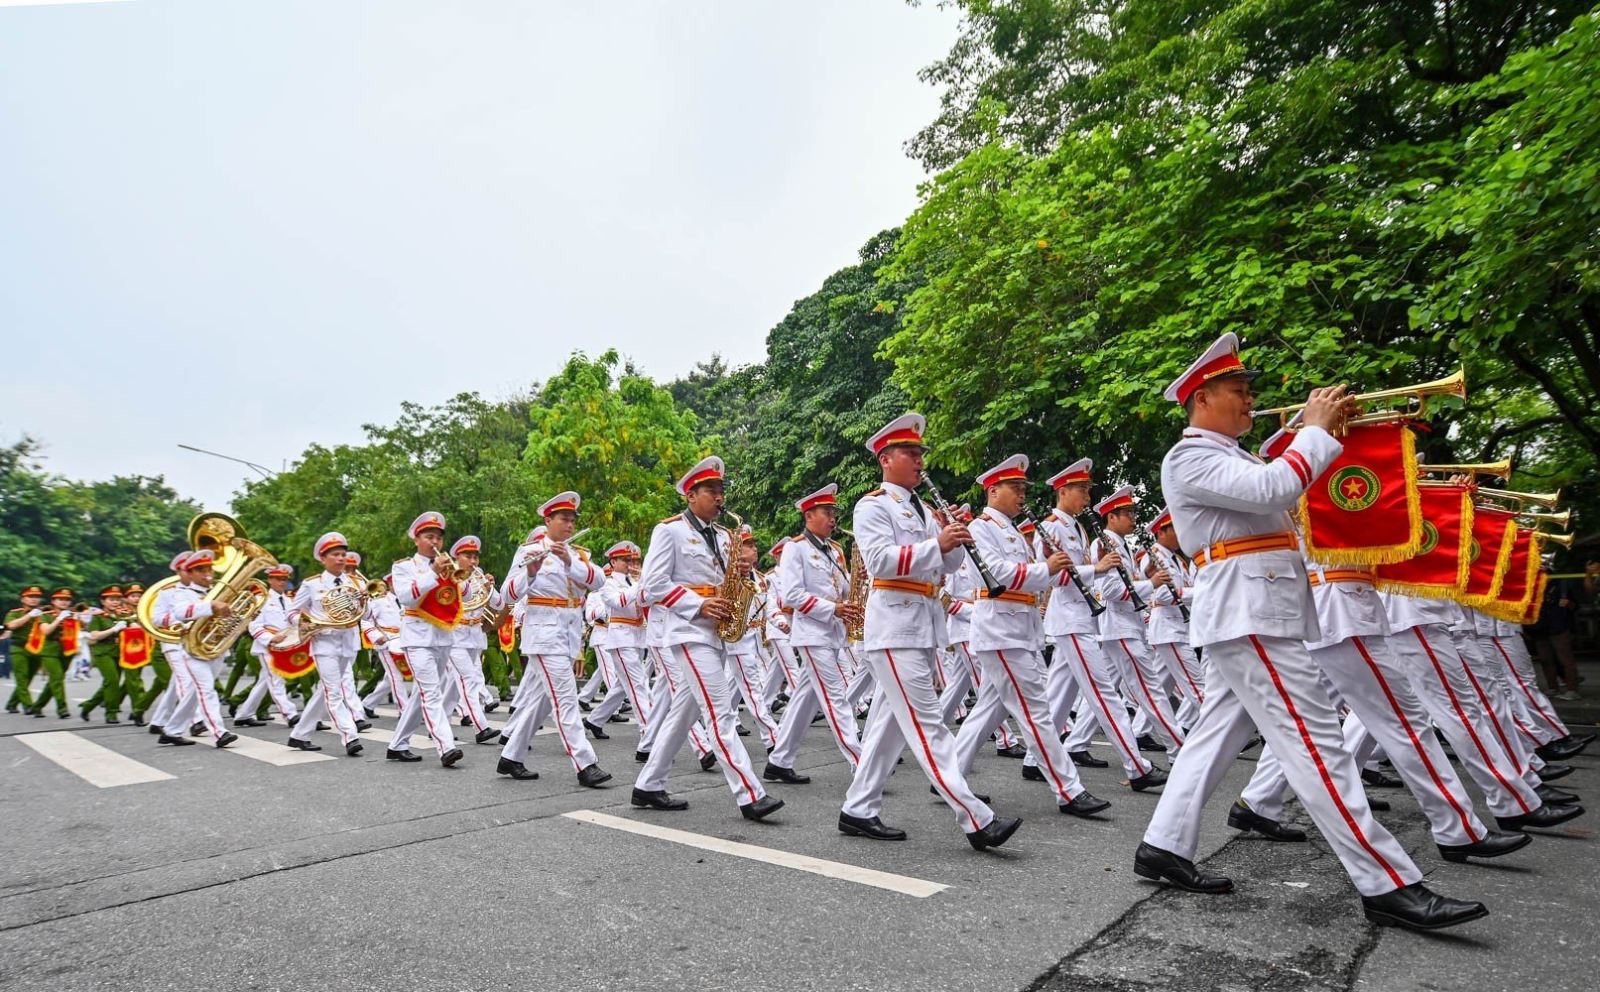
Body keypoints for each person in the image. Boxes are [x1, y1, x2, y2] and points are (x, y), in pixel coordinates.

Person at [1134, 332, 1485, 932]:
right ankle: (1387, 881)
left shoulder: (1237, 456)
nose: (1251, 401)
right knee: (1316, 744)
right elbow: (1276, 489)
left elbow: (1295, 500)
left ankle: (1164, 844)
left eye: (1249, 392)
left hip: (1258, 610)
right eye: (1240, 392)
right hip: (1249, 612)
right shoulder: (1188, 456)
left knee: (1215, 734)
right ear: (1201, 399)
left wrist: (1330, 438)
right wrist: (1314, 431)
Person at [838, 413, 1020, 849]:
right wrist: (936, 542)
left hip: (919, 624)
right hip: (895, 624)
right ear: (886, 458)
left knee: (889, 727)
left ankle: (858, 809)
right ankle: (976, 817)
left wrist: (953, 540)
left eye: (921, 452)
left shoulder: (922, 509)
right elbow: (880, 561)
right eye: (911, 452)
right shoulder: (873, 504)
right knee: (927, 724)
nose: (921, 460)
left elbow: (947, 567)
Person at [951, 454, 1111, 819]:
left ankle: (950, 777)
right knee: (1036, 711)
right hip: (1000, 629)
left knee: (988, 711)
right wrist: (1044, 568)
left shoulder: (1012, 529)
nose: (1023, 495)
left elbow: (1047, 577)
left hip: (1018, 629)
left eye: (1024, 489)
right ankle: (1068, 790)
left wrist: (1078, 569)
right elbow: (996, 573)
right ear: (993, 491)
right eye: (1016, 488)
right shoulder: (981, 527)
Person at [630, 456, 782, 821]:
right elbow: (652, 586)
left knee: (683, 714)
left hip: (715, 632)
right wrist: (698, 605)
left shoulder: (725, 536)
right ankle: (750, 793)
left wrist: (741, 574)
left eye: (720, 490)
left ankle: (648, 785)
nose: (719, 497)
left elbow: (728, 582)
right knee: (720, 712)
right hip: (687, 630)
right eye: (711, 491)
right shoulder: (669, 530)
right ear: (690, 495)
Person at [497, 493, 612, 788]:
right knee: (565, 700)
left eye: (573, 520)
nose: (570, 525)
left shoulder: (579, 553)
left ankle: (511, 756)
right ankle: (585, 763)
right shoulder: (529, 551)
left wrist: (570, 561)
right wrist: (530, 574)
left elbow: (599, 581)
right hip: (544, 634)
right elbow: (507, 595)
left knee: (543, 702)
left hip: (570, 635)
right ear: (548, 521)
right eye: (564, 519)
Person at [765, 483, 866, 784]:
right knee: (836, 698)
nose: (833, 518)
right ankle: (861, 763)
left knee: (805, 699)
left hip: (831, 633)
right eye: (827, 512)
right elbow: (792, 595)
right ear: (809, 515)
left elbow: (845, 588)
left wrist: (859, 589)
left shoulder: (834, 550)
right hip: (811, 633)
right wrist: (832, 609)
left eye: (834, 512)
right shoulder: (795, 548)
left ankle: (779, 762)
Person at [386, 512, 464, 767]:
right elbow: (407, 597)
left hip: (442, 637)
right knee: (432, 693)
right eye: (429, 537)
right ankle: (446, 746)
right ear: (416, 539)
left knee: (423, 693)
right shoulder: (404, 567)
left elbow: (460, 596)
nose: (435, 542)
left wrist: (467, 576)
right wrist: (432, 573)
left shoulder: (448, 565)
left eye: (439, 538)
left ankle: (397, 744)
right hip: (417, 637)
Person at [283, 533, 365, 756]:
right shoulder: (311, 584)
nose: (341, 559)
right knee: (333, 692)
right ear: (323, 558)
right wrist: (305, 623)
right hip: (324, 643)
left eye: (343, 554)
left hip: (348, 641)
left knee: (326, 691)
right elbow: (290, 612)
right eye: (335, 555)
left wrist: (363, 601)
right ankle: (350, 736)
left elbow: (363, 613)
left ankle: (300, 734)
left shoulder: (355, 582)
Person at [152, 553, 238, 749]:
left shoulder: (218, 592)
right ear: (189, 573)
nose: (207, 574)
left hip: (215, 647)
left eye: (209, 569)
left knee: (193, 691)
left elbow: (228, 619)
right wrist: (211, 605)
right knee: (207, 689)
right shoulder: (181, 594)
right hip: (191, 649)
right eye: (200, 570)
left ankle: (172, 731)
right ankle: (220, 732)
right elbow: (180, 612)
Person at [80, 586, 128, 722]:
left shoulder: (123, 615)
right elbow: (94, 636)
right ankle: (111, 713)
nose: (115, 602)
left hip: (118, 652)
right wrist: (114, 629)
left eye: (118, 599)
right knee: (112, 681)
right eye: (111, 599)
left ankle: (88, 706)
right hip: (102, 652)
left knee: (110, 683)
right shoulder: (98, 618)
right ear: (103, 601)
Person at [4, 586, 47, 713]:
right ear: (22, 599)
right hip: (19, 647)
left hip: (35, 648)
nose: (34, 600)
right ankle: (28, 705)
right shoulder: (15, 613)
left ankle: (12, 703)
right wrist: (29, 615)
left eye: (37, 597)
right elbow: (11, 626)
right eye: (30, 597)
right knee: (21, 677)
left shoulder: (44, 613)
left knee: (28, 678)